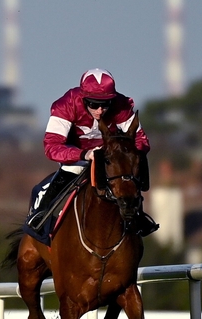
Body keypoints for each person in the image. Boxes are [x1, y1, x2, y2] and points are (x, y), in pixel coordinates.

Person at [24, 68, 159, 238]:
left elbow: (141, 141)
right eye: (94, 104)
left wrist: (124, 155)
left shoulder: (122, 105)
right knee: (64, 176)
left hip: (111, 157)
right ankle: (40, 217)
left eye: (105, 104)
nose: (100, 110)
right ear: (83, 99)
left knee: (133, 167)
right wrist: (84, 154)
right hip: (78, 156)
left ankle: (139, 216)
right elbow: (51, 147)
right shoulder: (66, 105)